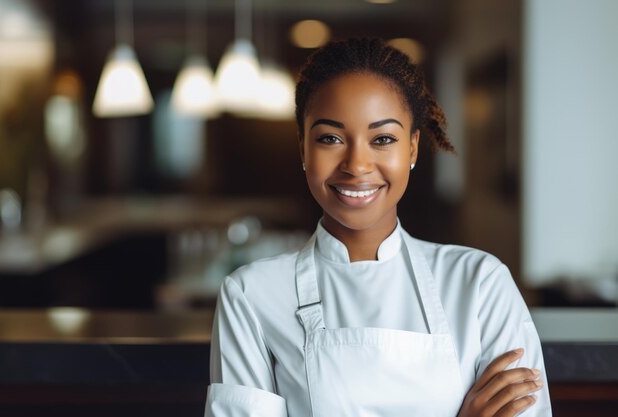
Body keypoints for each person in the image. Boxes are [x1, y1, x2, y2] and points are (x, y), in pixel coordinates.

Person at [205, 38, 552, 417]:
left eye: (383, 139)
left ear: (413, 148)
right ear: (304, 148)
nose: (357, 165)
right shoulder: (251, 295)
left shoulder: (480, 283)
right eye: (330, 138)